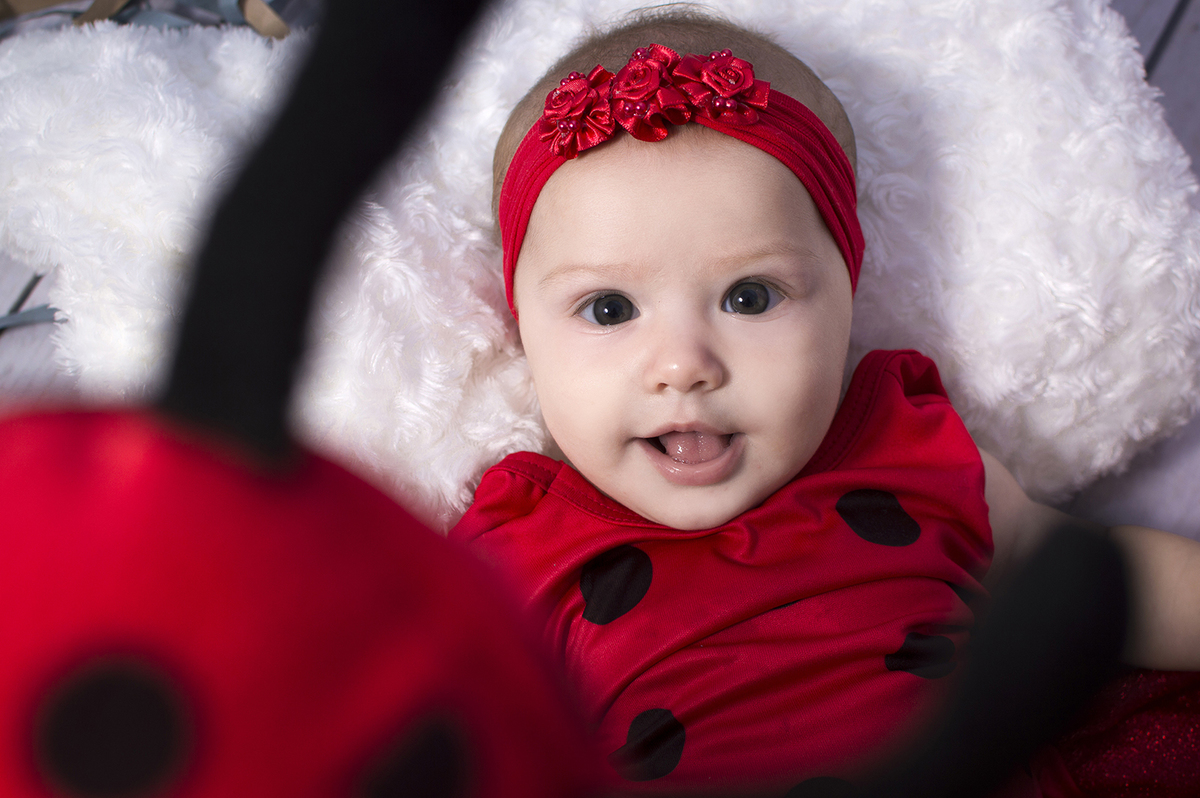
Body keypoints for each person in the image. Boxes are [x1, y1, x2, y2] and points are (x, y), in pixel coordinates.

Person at [450, 9, 1200, 795]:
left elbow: (1100, 584)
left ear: (847, 293)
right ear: (523, 331)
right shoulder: (511, 560)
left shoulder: (912, 451)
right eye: (608, 309)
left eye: (748, 297)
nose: (683, 365)